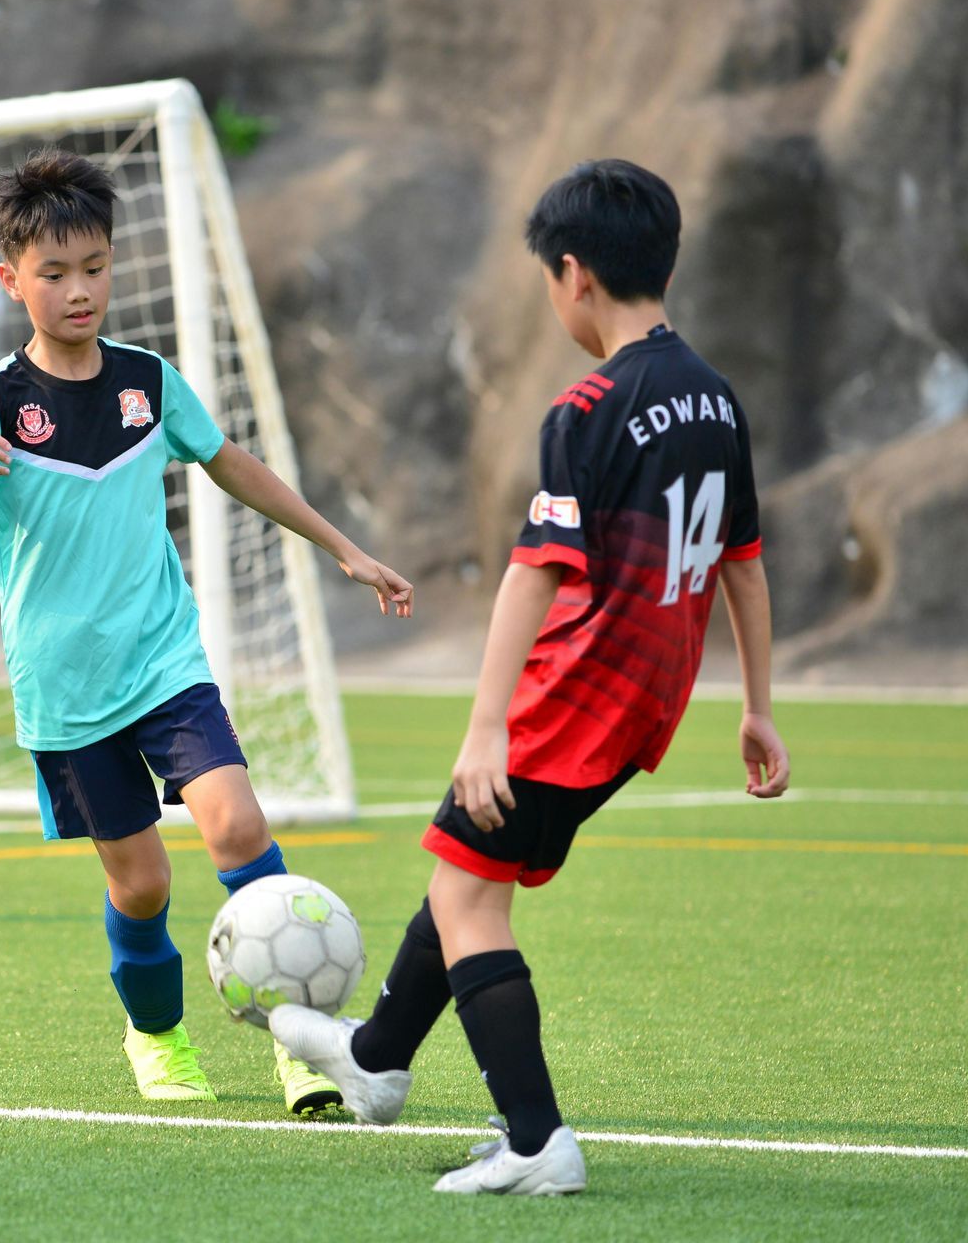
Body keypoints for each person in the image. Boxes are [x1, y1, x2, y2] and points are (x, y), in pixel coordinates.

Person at [270, 159, 791, 1193]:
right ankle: (375, 1058)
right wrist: (759, 708)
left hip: (578, 692)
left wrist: (486, 726)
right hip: (651, 699)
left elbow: (534, 572)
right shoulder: (716, 399)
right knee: (464, 870)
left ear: (572, 274)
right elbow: (743, 559)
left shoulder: (589, 405)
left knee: (470, 901)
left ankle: (536, 1140)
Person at [0, 150, 413, 1113]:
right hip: (64, 686)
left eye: (95, 267)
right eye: (54, 273)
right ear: (11, 280)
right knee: (141, 887)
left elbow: (229, 462)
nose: (79, 290)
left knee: (239, 826)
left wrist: (342, 548)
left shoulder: (148, 379)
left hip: (164, 661)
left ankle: (301, 1042)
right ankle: (157, 1036)